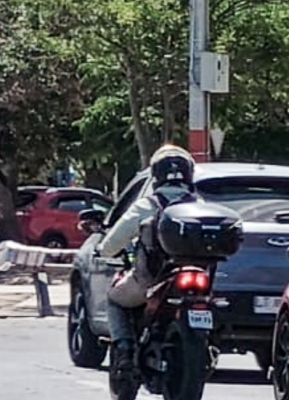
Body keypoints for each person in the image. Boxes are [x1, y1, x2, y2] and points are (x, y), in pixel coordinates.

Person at [97, 144, 198, 382]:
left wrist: (102, 250)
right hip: (197, 285)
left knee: (114, 298)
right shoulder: (200, 206)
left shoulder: (147, 205)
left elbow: (111, 245)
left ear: (156, 176)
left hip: (151, 283)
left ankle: (124, 349)